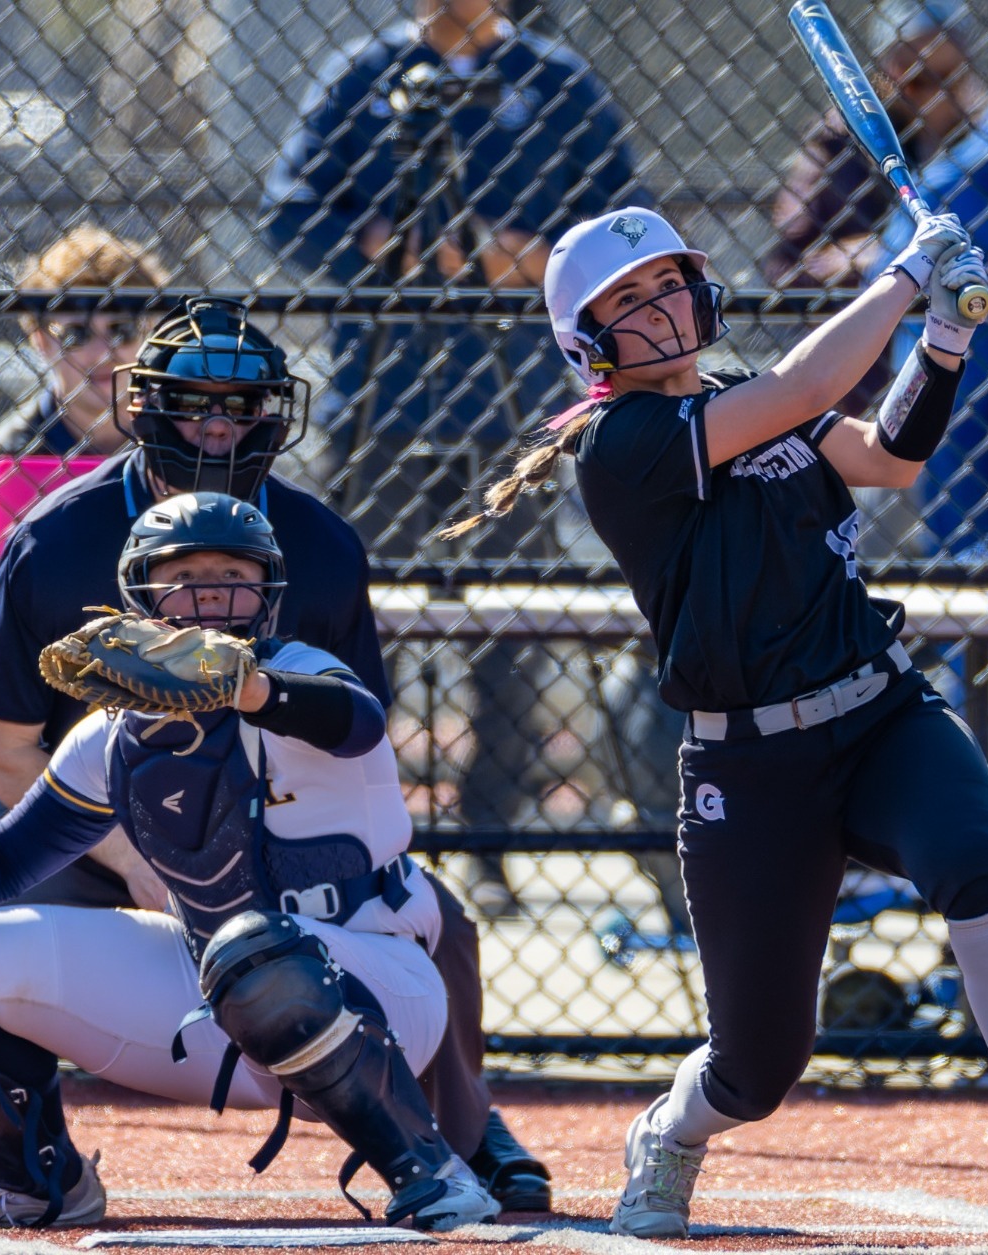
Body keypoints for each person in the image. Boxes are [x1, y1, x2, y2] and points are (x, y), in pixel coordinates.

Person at [0, 298, 549, 1216]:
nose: (219, 424)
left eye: (242, 405)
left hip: (280, 839)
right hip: (94, 814)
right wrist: (142, 852)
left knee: (438, 916)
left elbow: (359, 724)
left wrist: (245, 728)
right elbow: (0, 748)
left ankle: (457, 1131)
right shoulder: (59, 537)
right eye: (193, 404)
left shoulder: (323, 546)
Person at [445, 206, 988, 1240]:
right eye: (624, 301)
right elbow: (805, 387)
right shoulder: (619, 442)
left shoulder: (737, 397)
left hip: (878, 710)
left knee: (977, 868)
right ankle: (670, 1131)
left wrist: (941, 341)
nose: (657, 307)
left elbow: (887, 456)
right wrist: (902, 278)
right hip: (748, 762)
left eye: (666, 282)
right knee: (756, 1066)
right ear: (588, 339)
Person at [261, 0, 642, 914]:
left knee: (509, 629)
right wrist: (381, 246)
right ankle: (353, 827)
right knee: (353, 618)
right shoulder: (362, 76)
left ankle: (485, 844)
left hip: (511, 400)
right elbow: (287, 212)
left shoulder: (555, 82)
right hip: (380, 401)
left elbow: (626, 218)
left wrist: (542, 261)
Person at [767, 0, 987, 417]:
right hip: (859, 366)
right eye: (920, 80)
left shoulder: (984, 135)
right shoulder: (846, 137)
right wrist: (885, 254)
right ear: (889, 70)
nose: (936, 96)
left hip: (964, 364)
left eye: (949, 79)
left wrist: (943, 134)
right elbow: (792, 264)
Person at [0, 226, 171, 561]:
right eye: (75, 335)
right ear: (40, 340)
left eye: (121, 331)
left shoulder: (187, 441)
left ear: (150, 331)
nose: (102, 353)